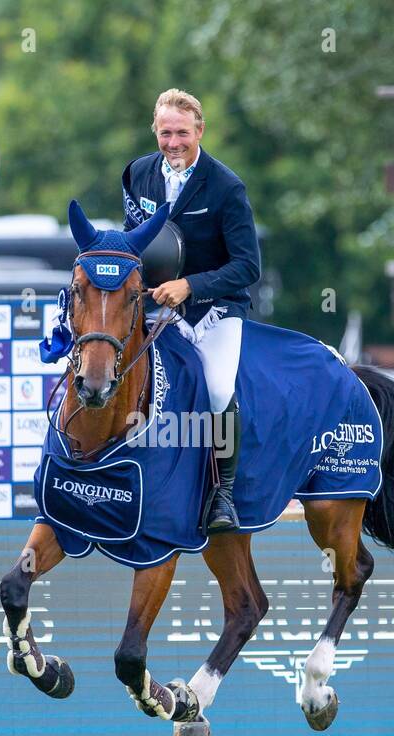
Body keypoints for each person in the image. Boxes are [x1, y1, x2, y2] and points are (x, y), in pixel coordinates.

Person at [121, 88, 261, 532]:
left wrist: (190, 286)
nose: (174, 142)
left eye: (182, 132)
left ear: (200, 130)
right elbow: (132, 239)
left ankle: (223, 495)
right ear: (155, 132)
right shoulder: (138, 174)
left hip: (215, 309)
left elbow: (248, 266)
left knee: (218, 390)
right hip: (158, 306)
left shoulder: (225, 186)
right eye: (165, 133)